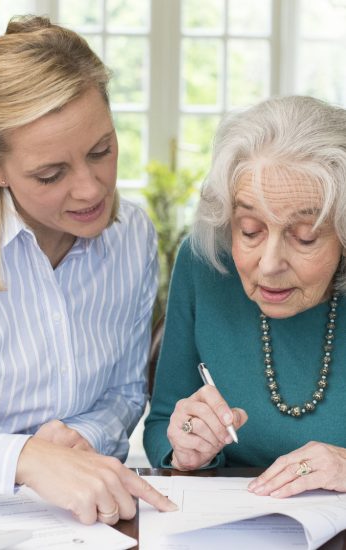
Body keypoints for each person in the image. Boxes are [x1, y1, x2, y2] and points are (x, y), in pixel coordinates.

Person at [0, 15, 177, 524]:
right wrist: (25, 458)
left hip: (81, 519)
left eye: (101, 151)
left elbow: (126, 392)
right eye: (50, 174)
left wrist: (80, 441)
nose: (91, 190)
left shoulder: (131, 236)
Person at [144, 95, 346, 498]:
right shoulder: (205, 262)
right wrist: (187, 449)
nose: (269, 264)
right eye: (250, 230)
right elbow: (163, 421)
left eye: (304, 236)